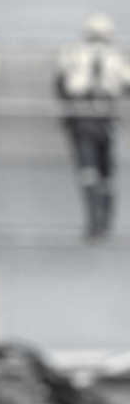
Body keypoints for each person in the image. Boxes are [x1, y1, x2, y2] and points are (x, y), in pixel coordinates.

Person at [54, 14, 129, 241]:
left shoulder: (73, 53)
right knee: (102, 171)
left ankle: (97, 220)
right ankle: (102, 220)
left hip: (87, 115)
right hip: (99, 115)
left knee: (92, 170)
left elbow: (61, 85)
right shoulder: (115, 56)